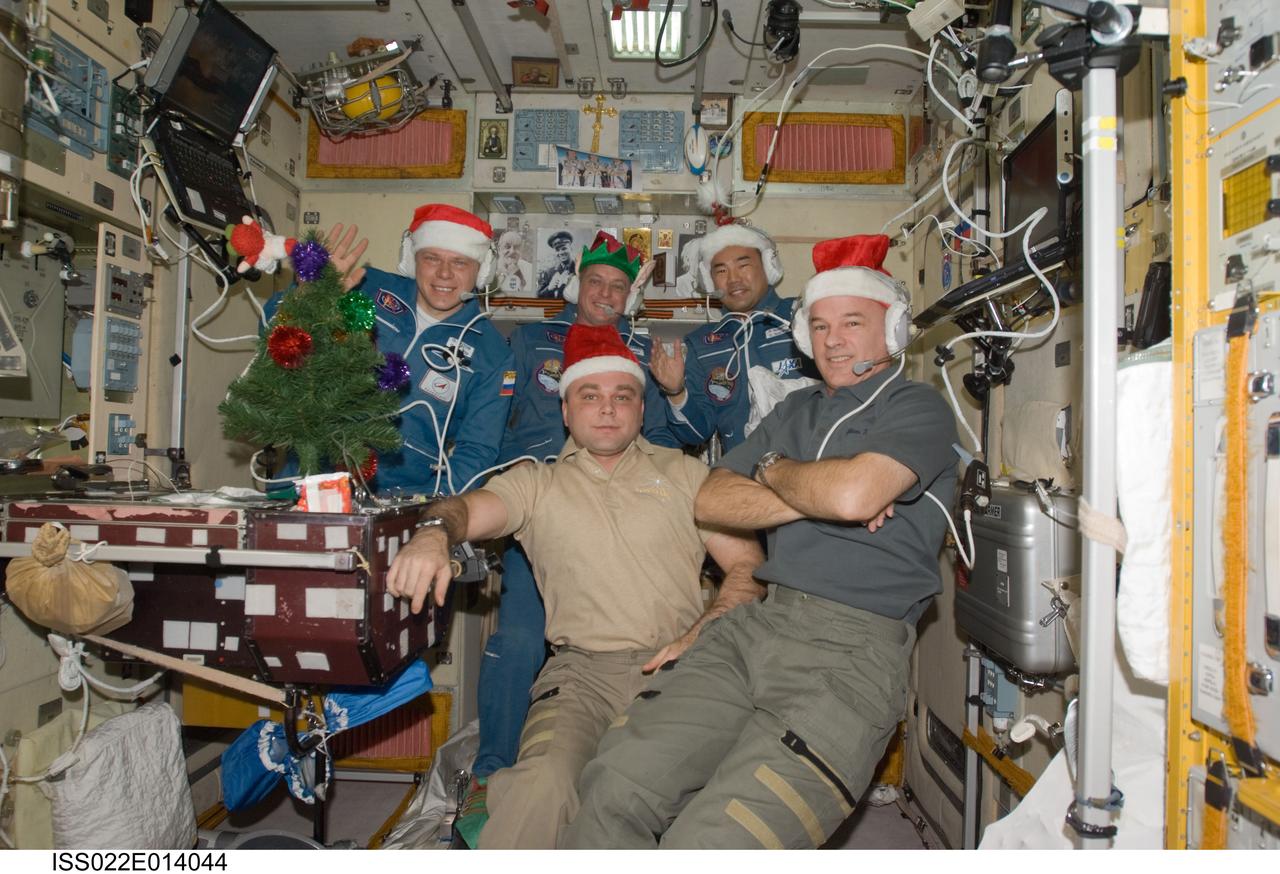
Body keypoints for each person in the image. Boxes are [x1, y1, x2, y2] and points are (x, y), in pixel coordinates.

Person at [563, 234, 960, 849]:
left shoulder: (920, 408)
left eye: (853, 323)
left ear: (895, 328)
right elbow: (712, 499)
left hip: (850, 651)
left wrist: (803, 483)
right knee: (613, 782)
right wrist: (807, 487)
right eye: (821, 324)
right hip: (756, 628)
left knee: (716, 839)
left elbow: (853, 495)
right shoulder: (792, 412)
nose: (832, 340)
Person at [386, 323, 764, 848]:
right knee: (540, 785)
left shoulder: (689, 475)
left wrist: (706, 630)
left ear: (640, 409)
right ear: (566, 410)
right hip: (578, 676)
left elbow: (748, 568)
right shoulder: (534, 483)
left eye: (622, 396)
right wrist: (433, 533)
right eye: (590, 395)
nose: (607, 408)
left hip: (683, 671)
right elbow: (466, 510)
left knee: (646, 789)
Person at [471, 231, 680, 809]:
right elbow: (493, 420)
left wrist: (674, 391)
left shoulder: (637, 357)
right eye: (597, 282)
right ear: (578, 284)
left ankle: (606, 767)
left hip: (617, 510)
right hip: (539, 504)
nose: (606, 294)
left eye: (618, 286)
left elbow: (662, 435)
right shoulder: (532, 339)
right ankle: (492, 769)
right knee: (517, 638)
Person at [266, 206, 515, 497]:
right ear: (412, 259)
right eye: (431, 258)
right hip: (306, 478)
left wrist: (428, 507)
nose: (444, 273)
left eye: (460, 262)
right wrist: (307, 297)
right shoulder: (364, 285)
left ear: (482, 270)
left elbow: (477, 452)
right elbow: (271, 336)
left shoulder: (493, 354)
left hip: (403, 498)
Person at [649, 222, 817, 453]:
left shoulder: (803, 317)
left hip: (810, 464)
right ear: (710, 282)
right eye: (721, 271)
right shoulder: (701, 344)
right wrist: (676, 393)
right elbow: (696, 433)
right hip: (740, 476)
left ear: (768, 267)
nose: (733, 279)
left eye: (743, 265)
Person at [494, 229, 534, 294]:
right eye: (507, 247)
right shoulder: (490, 270)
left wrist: (519, 275)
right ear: (499, 250)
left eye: (516, 247)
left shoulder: (530, 268)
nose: (512, 251)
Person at [537, 230, 576, 298]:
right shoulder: (549, 272)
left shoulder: (580, 269)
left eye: (564, 248)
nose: (561, 253)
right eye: (557, 250)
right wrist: (549, 288)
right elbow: (538, 296)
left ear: (571, 249)